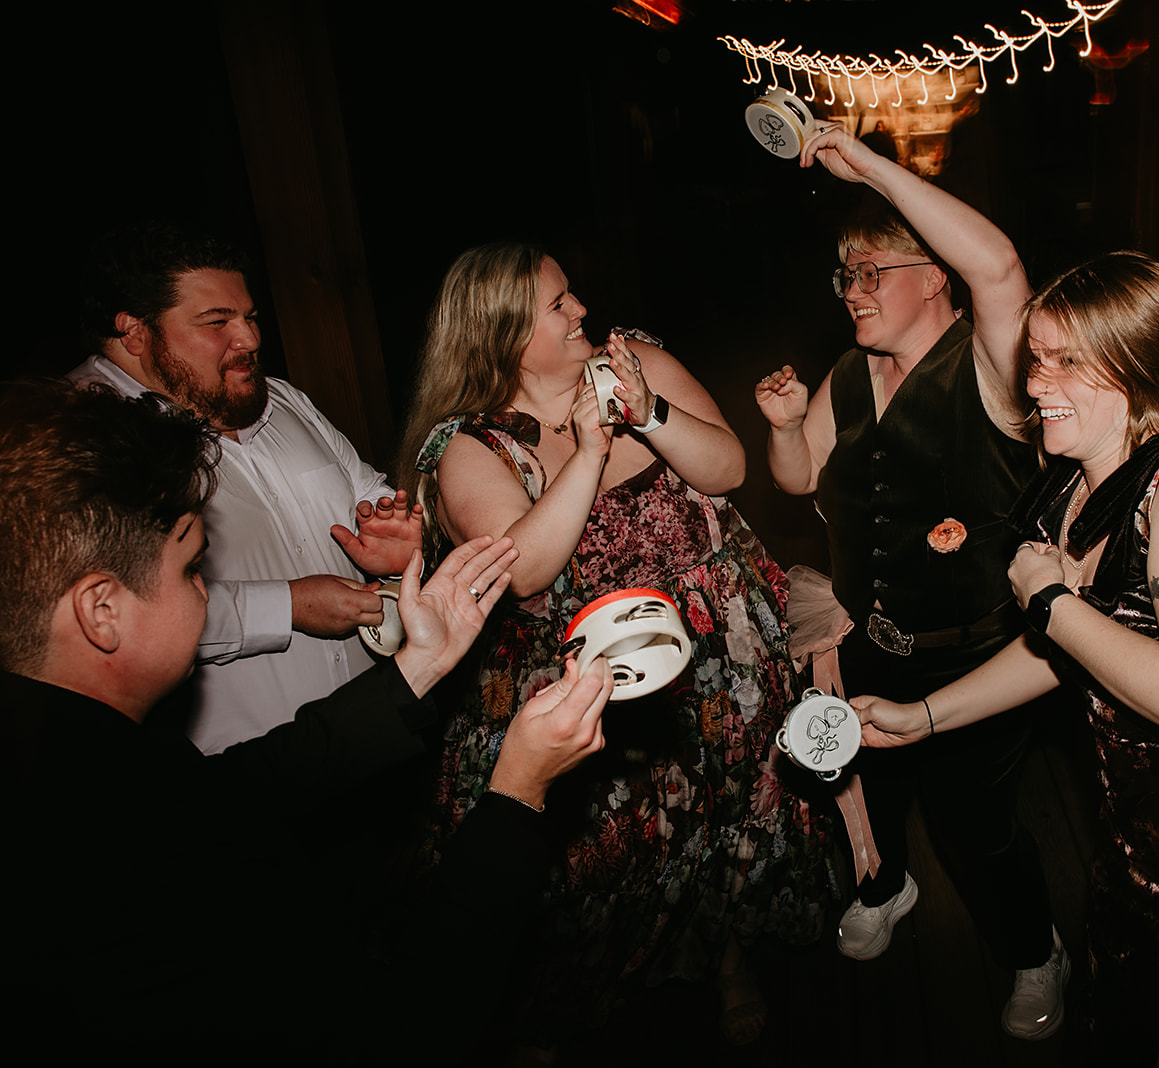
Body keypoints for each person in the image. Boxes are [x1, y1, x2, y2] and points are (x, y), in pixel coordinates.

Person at [0, 379, 611, 1064]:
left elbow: (239, 793)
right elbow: (405, 1021)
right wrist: (517, 796)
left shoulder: (76, 758)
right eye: (191, 568)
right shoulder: (116, 879)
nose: (207, 590)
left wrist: (419, 667)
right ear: (101, 611)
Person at [852, 252, 1159, 1065]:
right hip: (1132, 854)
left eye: (1067, 361)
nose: (1037, 382)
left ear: (1140, 364)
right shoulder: (1073, 483)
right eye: (1037, 357)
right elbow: (1070, 655)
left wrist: (1051, 601)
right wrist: (924, 717)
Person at [394, 243, 840, 1048]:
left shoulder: (634, 359)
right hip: (595, 677)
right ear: (501, 335)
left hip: (722, 643)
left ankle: (729, 956)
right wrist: (593, 447)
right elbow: (525, 570)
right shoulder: (472, 445)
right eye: (558, 307)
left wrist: (648, 413)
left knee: (735, 815)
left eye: (573, 297)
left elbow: (731, 466)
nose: (581, 314)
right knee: (600, 864)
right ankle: (565, 1014)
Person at [754, 125, 1068, 1039]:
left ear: (934, 276)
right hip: (869, 639)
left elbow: (1003, 267)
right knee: (867, 785)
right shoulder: (848, 375)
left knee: (978, 826)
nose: (852, 291)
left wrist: (875, 172)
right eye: (843, 277)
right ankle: (886, 887)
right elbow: (799, 477)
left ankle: (1032, 949)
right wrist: (781, 427)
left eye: (871, 270)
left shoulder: (995, 369)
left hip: (979, 653)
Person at [69, 223, 424, 754]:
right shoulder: (75, 436)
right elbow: (118, 616)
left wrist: (393, 538)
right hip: (240, 783)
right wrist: (287, 607)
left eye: (251, 317)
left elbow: (366, 491)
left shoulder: (279, 399)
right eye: (218, 322)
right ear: (135, 332)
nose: (251, 340)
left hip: (368, 739)